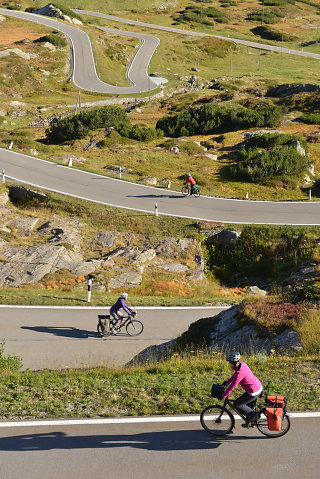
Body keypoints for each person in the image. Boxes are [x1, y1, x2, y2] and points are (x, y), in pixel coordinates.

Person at [222, 352, 263, 426]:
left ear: (234, 362)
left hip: (253, 391)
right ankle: (250, 421)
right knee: (245, 404)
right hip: (257, 386)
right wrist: (228, 382)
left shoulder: (240, 372)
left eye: (230, 362)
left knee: (237, 404)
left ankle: (254, 416)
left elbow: (233, 386)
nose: (229, 364)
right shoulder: (242, 364)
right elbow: (235, 375)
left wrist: (224, 395)